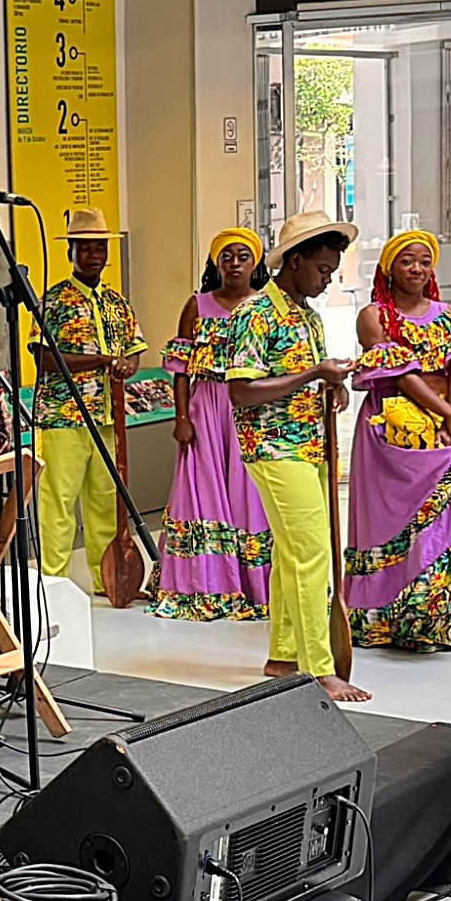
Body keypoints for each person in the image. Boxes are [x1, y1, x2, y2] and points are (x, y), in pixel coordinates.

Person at [224, 211, 370, 704]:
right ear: (294, 261)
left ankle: (283, 656)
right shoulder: (254, 313)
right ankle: (319, 669)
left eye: (332, 271)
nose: (327, 280)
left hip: (310, 444)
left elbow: (304, 376)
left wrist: (332, 387)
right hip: (273, 448)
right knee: (313, 554)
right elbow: (241, 392)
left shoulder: (306, 314)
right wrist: (313, 375)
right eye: (322, 269)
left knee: (291, 553)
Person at [344, 231, 451, 651]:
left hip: (445, 426)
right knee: (389, 521)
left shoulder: (449, 314)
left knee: (448, 515)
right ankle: (387, 620)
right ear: (389, 268)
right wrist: (448, 413)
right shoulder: (374, 316)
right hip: (389, 429)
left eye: (425, 262)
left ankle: (440, 619)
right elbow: (399, 374)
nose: (416, 269)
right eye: (407, 261)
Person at [150, 228, 274, 621]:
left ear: (256, 263)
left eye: (243, 256)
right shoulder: (197, 305)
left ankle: (255, 585)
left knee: (250, 493)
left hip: (250, 407)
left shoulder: (268, 305)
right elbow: (181, 369)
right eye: (226, 257)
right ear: (215, 263)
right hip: (205, 408)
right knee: (202, 490)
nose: (235, 264)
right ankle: (205, 583)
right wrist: (181, 417)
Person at [31, 207, 147, 598]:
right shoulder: (52, 301)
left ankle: (106, 579)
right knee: (58, 504)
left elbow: (134, 349)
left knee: (105, 501)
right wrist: (99, 360)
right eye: (85, 247)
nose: (94, 254)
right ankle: (54, 584)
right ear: (71, 252)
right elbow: (43, 358)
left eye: (99, 247)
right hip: (62, 417)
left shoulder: (117, 302)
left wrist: (127, 365)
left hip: (107, 416)